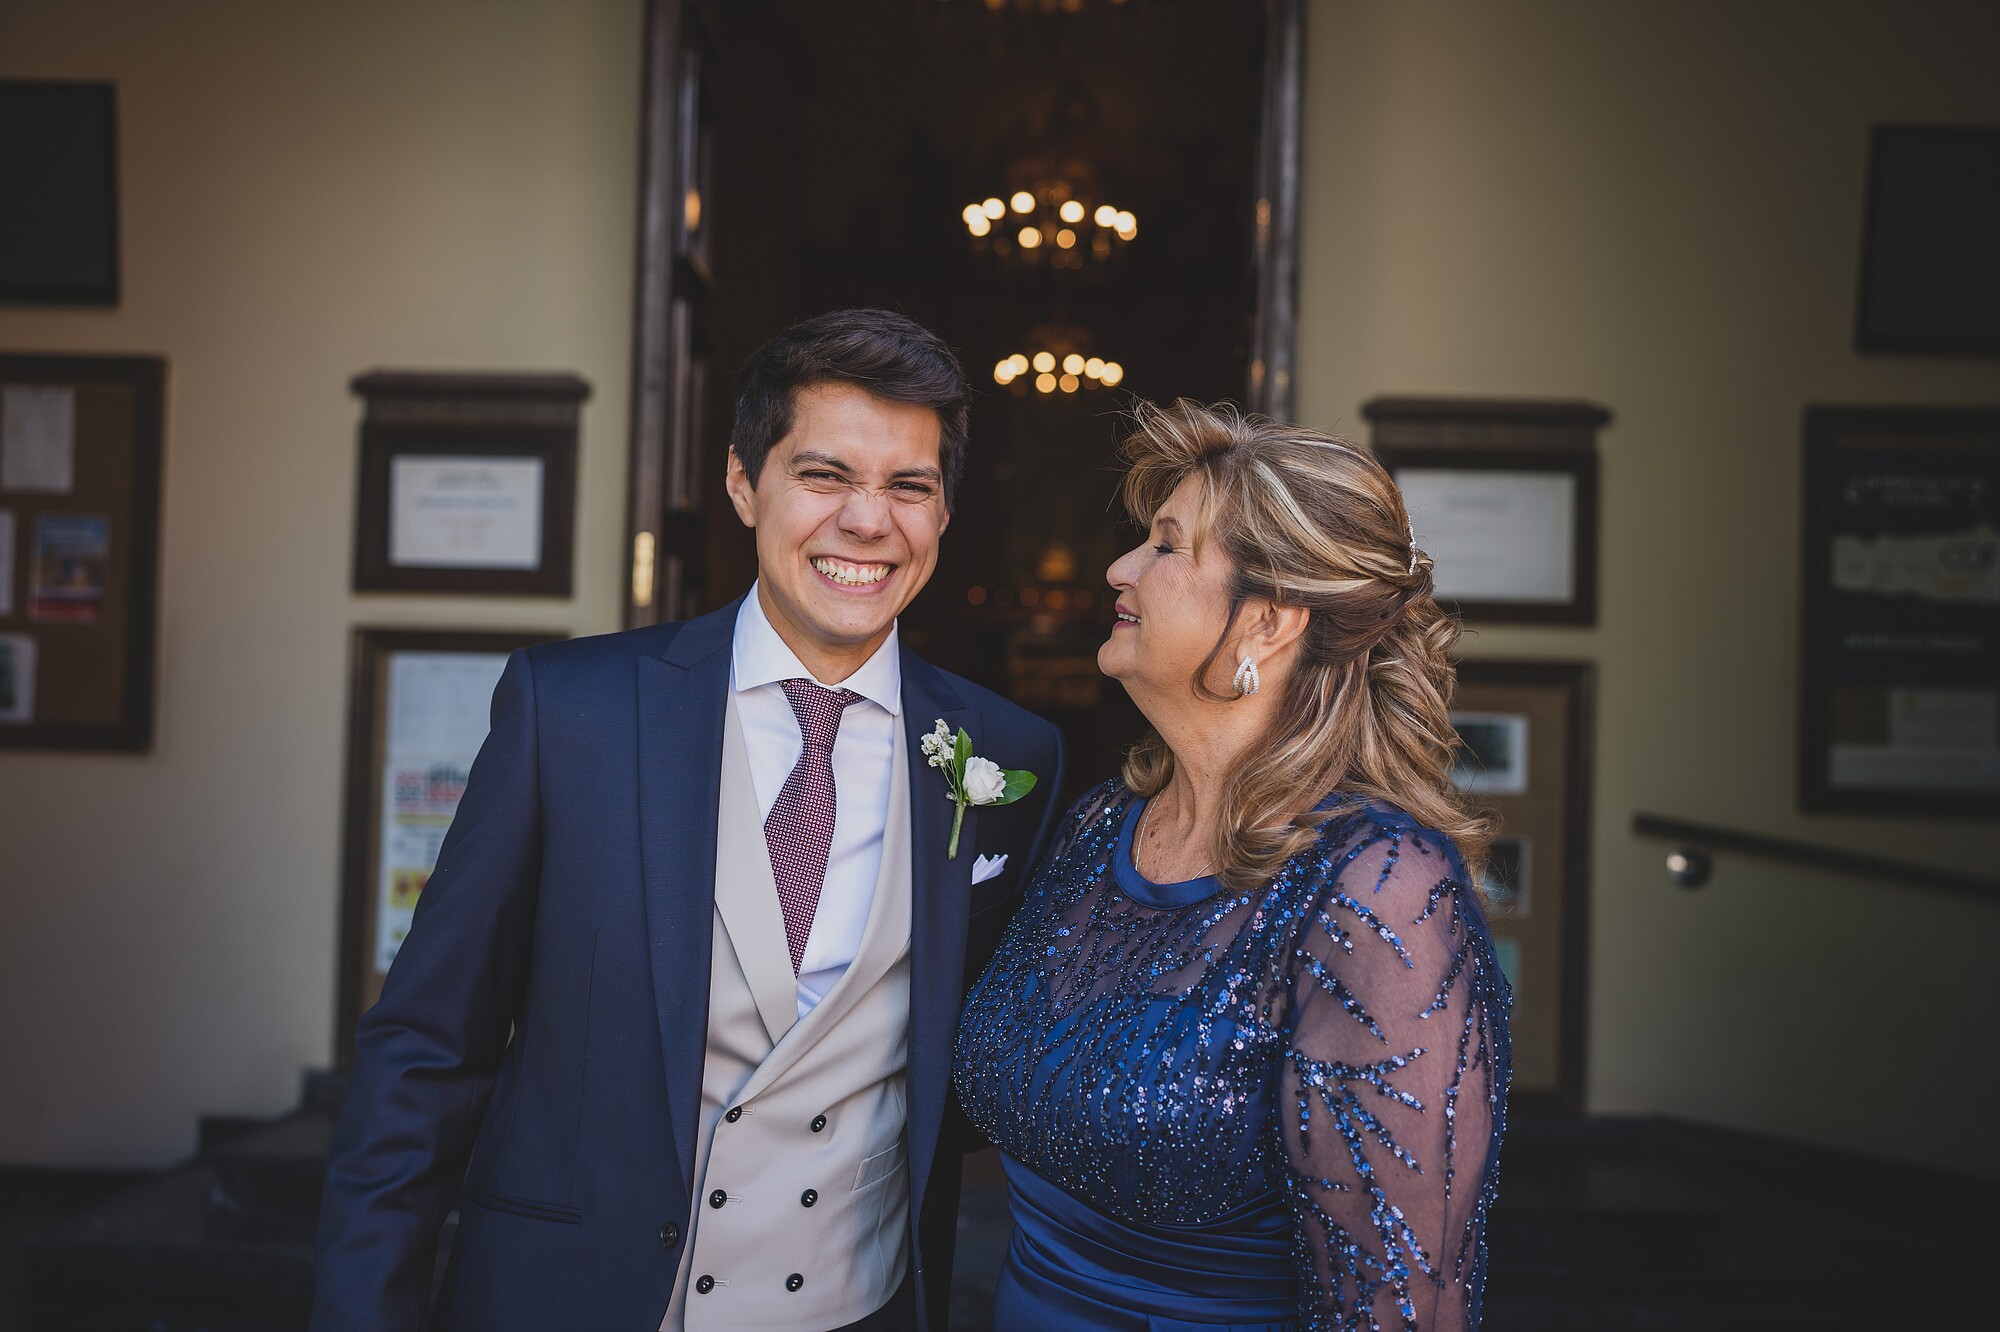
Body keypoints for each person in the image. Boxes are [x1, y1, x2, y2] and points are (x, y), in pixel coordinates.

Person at [313, 309, 1066, 1332]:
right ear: (741, 482)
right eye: (822, 475)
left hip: (864, 1308)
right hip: (578, 1301)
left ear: (942, 516)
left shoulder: (1010, 755)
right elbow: (426, 1052)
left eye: (908, 487)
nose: (866, 522)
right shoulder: (569, 712)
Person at [954, 400, 1511, 1331]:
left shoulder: (1382, 890)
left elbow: (1398, 1304)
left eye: (1167, 547)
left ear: (1265, 623)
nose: (1120, 568)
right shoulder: (1099, 826)